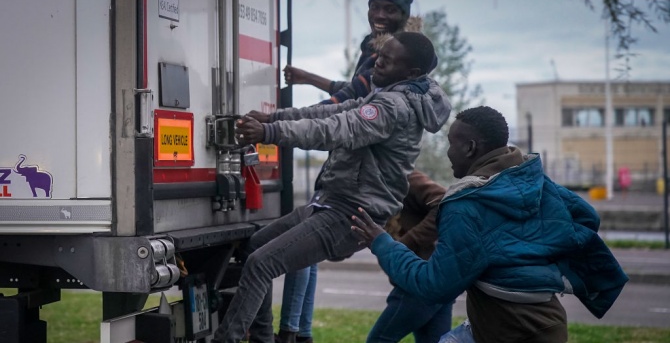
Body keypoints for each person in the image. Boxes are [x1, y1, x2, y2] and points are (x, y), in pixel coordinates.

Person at [210, 31, 451, 343]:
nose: (375, 62)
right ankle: (263, 337)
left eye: (386, 60)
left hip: (350, 214)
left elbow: (338, 128)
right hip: (332, 202)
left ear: (412, 73)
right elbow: (331, 111)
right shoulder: (388, 93)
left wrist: (270, 131)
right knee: (255, 247)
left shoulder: (394, 106)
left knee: (260, 264)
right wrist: (274, 117)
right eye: (379, 55)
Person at [351, 106, 629, 343]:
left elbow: (434, 285)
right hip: (549, 324)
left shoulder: (465, 205)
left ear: (470, 147)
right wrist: (534, 258)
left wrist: (382, 243)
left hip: (508, 331)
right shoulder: (531, 179)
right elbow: (586, 216)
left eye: (451, 143)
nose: (448, 153)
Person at [283, 0, 415, 102]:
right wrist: (308, 78)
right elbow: (359, 90)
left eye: (390, 10)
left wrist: (277, 120)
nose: (379, 15)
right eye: (375, 7)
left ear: (404, 15)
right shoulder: (373, 48)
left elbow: (355, 99)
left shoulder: (401, 58)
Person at [367, 170, 453, 343]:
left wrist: (409, 240)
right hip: (433, 281)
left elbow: (446, 202)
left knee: (379, 339)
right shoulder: (373, 187)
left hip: (419, 280)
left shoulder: (407, 179)